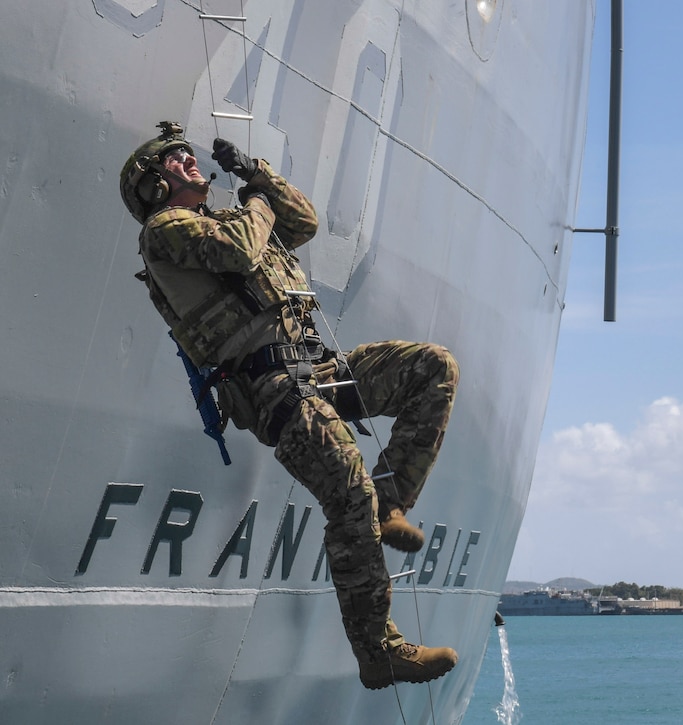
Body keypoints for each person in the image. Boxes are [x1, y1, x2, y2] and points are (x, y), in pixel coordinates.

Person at [119, 121, 460, 689]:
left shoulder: (229, 218)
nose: (189, 160)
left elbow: (302, 221)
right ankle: (379, 652)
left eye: (187, 152)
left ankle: (391, 501)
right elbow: (238, 249)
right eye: (175, 161)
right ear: (153, 187)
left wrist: (255, 172)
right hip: (270, 387)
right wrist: (254, 202)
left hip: (317, 367)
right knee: (346, 488)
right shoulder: (165, 230)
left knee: (432, 368)